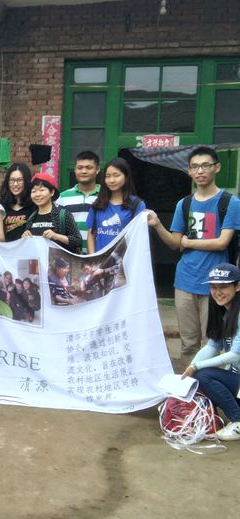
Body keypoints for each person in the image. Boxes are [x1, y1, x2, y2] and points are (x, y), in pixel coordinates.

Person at [149, 146, 240, 356]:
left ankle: (210, 377)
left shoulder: (230, 203)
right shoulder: (185, 204)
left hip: (217, 283)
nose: (200, 171)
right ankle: (189, 377)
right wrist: (157, 225)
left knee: (214, 343)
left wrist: (188, 243)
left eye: (205, 165)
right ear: (189, 171)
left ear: (216, 168)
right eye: (195, 167)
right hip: (185, 281)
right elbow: (175, 243)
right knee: (188, 344)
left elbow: (222, 242)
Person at [182, 263, 240, 441]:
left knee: (204, 375)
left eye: (223, 287)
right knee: (197, 377)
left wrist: (196, 367)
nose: (218, 292)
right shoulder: (224, 312)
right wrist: (189, 370)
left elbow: (235, 355)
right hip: (236, 377)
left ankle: (238, 420)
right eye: (214, 287)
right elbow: (212, 346)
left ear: (238, 286)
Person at [86, 157, 146, 253]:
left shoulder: (137, 205)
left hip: (124, 260)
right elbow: (91, 234)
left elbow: (139, 238)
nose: (111, 180)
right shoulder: (97, 204)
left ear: (126, 177)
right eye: (108, 176)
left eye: (116, 175)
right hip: (100, 261)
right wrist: (92, 258)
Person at [22, 173, 82, 254]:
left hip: (61, 261)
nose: (37, 194)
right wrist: (24, 238)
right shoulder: (31, 218)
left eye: (42, 190)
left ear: (52, 192)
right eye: (34, 191)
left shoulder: (63, 215)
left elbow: (78, 241)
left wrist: (56, 236)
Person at [58, 150, 101, 253]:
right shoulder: (63, 197)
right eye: (80, 167)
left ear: (97, 169)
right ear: (75, 169)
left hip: (98, 254)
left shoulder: (105, 196)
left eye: (89, 167)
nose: (84, 171)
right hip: (70, 255)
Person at [0, 163, 35, 242]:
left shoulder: (34, 206)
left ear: (26, 181)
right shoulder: (1, 206)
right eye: (12, 180)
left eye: (19, 180)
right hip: (5, 249)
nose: (15, 184)